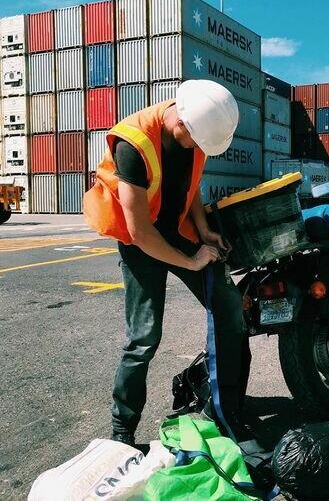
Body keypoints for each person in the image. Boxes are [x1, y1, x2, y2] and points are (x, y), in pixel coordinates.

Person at [83, 80, 252, 446]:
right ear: (182, 126)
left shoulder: (196, 132)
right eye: (195, 141)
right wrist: (191, 262)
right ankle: (122, 432)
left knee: (230, 311)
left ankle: (228, 408)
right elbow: (141, 231)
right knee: (143, 339)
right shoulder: (133, 143)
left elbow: (191, 184)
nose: (198, 149)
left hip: (177, 230)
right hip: (139, 242)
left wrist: (204, 230)